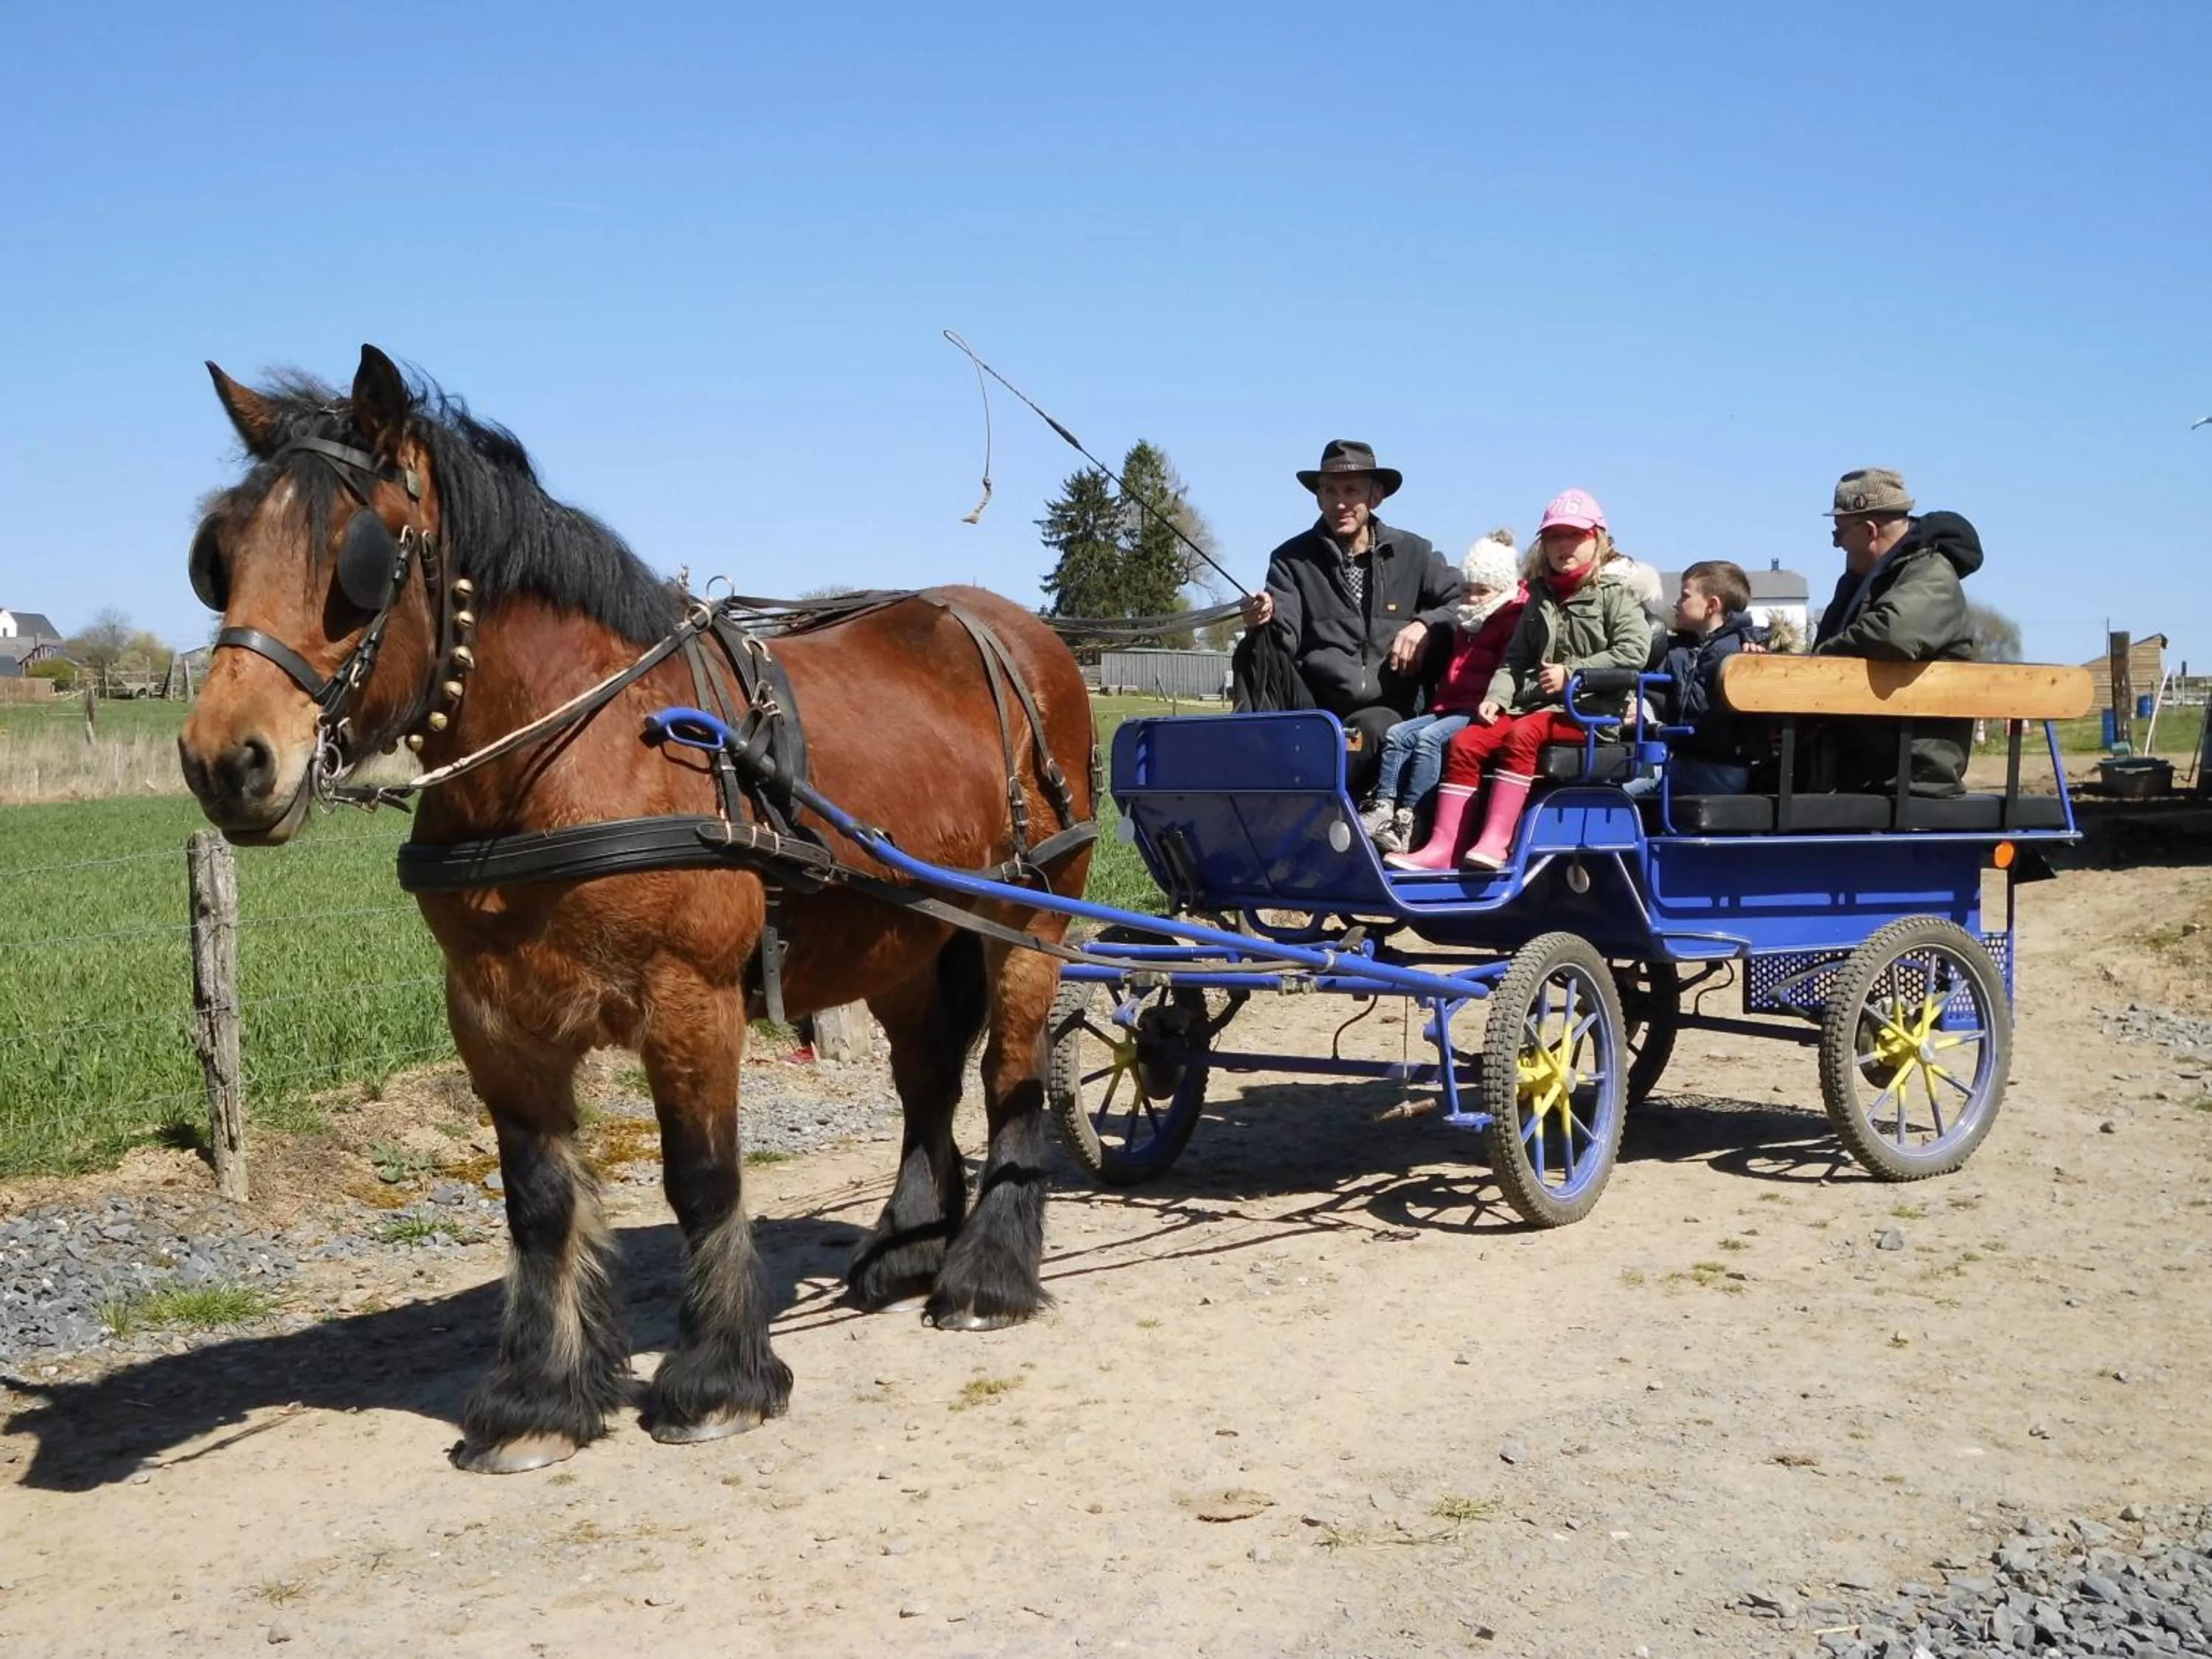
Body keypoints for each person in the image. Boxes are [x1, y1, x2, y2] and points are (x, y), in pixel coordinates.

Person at [1388, 489, 1651, 872]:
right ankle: (1444, 847)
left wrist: (1573, 674)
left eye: (1575, 536)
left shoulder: (1615, 596)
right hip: (1535, 708)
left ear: (1597, 540)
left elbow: (1633, 652)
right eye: (1554, 537)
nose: (1564, 546)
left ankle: (1496, 842)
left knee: (1523, 733)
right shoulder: (1539, 597)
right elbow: (1515, 660)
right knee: (1467, 741)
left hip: (1591, 714)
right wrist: (1496, 697)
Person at [1238, 440, 1462, 792]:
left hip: (1387, 707)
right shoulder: (1291, 559)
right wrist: (1262, 619)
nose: (1339, 503)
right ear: (1318, 497)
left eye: (1351, 491)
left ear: (1376, 496)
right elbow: (1284, 637)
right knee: (1252, 650)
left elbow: (1465, 603)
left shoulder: (1415, 554)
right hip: (1314, 705)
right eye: (1330, 491)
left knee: (1368, 731)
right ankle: (1251, 768)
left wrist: (1425, 625)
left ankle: (1311, 804)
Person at [1810, 468, 1982, 796]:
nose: (1836, 544)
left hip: (1907, 775)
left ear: (1869, 530)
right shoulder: (1865, 581)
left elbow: (1892, 635)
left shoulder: (1931, 574)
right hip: (1861, 768)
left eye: (1839, 532)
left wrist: (1814, 664)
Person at [1360, 530, 1526, 852]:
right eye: (1467, 590)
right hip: (1450, 705)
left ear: (1503, 590)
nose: (1473, 598)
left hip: (1479, 708)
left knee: (1429, 740)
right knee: (1398, 735)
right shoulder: (1465, 623)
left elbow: (1510, 670)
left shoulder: (1511, 622)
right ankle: (1383, 806)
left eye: (1483, 591)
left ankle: (1412, 818)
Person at [1626, 559, 1763, 799]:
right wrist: (1641, 709)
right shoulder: (1678, 650)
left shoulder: (1740, 652)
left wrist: (1755, 643)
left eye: (1685, 596)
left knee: (1622, 789)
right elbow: (1653, 689)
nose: (1676, 603)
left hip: (1722, 765)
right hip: (1679, 756)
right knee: (1619, 776)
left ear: (1712, 605)